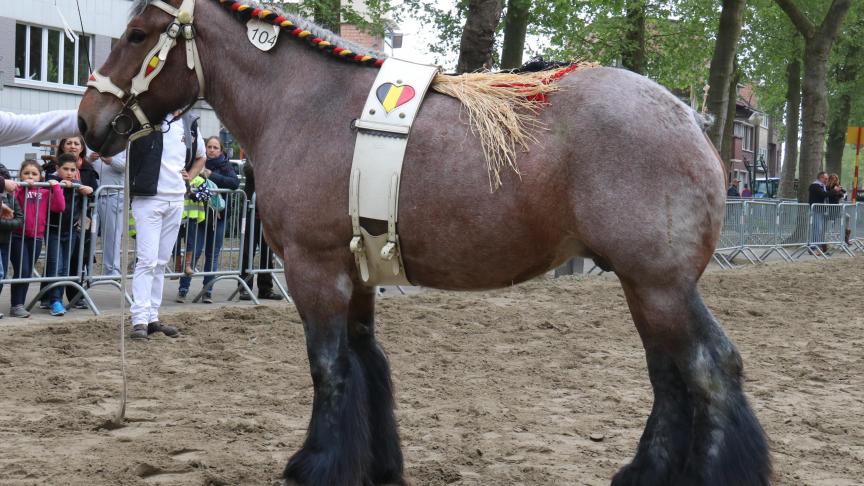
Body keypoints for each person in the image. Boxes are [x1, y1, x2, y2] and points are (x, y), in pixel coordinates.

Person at [128, 113, 204, 340]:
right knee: (147, 260)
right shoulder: (146, 115)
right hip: (149, 197)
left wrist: (189, 175)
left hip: (176, 198)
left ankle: (152, 317)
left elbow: (200, 157)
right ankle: (139, 318)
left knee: (160, 262)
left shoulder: (189, 122)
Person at [177, 137, 239, 304]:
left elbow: (234, 183)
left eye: (215, 147)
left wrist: (211, 175)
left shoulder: (225, 166)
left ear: (221, 151)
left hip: (217, 218)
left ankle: (207, 291)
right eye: (209, 147)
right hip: (198, 216)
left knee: (212, 255)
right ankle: (183, 289)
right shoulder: (196, 163)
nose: (211, 150)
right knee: (194, 252)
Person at [9, 161, 65, 318]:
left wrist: (56, 187)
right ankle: (17, 305)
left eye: (34, 174)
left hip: (37, 237)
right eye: (26, 173)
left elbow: (59, 207)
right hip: (17, 235)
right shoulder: (18, 189)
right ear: (21, 175)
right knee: (23, 270)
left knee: (27, 272)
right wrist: (20, 186)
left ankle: (19, 304)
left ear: (40, 175)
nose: (30, 177)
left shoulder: (45, 191)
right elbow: (13, 201)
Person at [44, 154, 96, 316]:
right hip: (53, 230)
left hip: (71, 230)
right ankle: (55, 301)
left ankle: (57, 299)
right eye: (65, 169)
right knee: (56, 266)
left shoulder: (76, 184)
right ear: (58, 168)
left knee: (65, 268)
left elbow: (90, 193)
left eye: (72, 170)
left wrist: (88, 190)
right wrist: (57, 185)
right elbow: (47, 189)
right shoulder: (50, 181)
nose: (69, 172)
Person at [238, 162, 283, 301]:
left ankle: (265, 288)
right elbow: (249, 169)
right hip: (250, 213)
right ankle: (244, 287)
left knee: (267, 253)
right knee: (247, 252)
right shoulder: (253, 158)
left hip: (267, 214)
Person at [89, 150, 127, 276]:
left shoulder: (122, 144)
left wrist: (111, 161)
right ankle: (85, 269)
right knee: (87, 235)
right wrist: (90, 159)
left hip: (113, 194)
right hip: (91, 196)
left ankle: (112, 271)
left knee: (112, 235)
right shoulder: (89, 143)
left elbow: (129, 165)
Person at [0, 164, 24, 319]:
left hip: (4, 240)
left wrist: (5, 223)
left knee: (2, 274)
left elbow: (18, 218)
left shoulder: (10, 198)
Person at [826, 173, 849, 245]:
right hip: (830, 208)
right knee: (834, 220)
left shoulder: (838, 187)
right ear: (830, 180)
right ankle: (829, 237)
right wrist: (839, 193)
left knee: (847, 216)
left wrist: (843, 193)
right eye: (833, 179)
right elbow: (833, 195)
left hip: (837, 208)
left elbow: (844, 193)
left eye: (836, 179)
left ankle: (846, 234)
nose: (835, 180)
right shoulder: (828, 187)